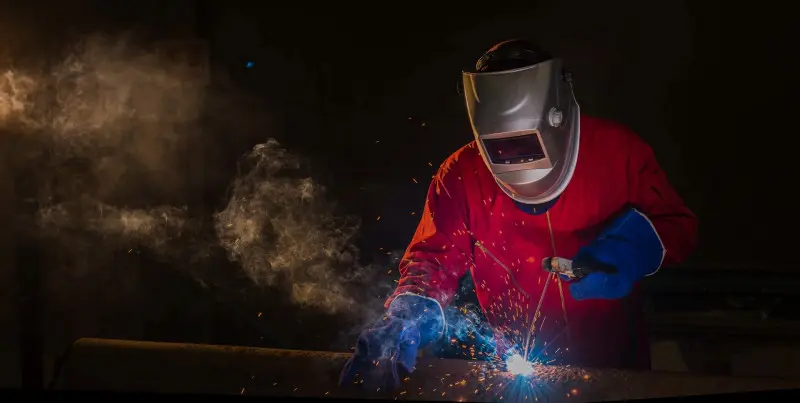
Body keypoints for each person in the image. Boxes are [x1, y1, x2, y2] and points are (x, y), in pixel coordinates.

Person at [340, 39, 697, 389]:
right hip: (515, 371)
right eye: (500, 148)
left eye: (524, 143)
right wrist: (409, 314)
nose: (514, 160)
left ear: (555, 117)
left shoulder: (618, 151)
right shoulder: (462, 174)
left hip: (616, 370)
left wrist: (632, 249)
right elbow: (434, 259)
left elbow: (677, 226)